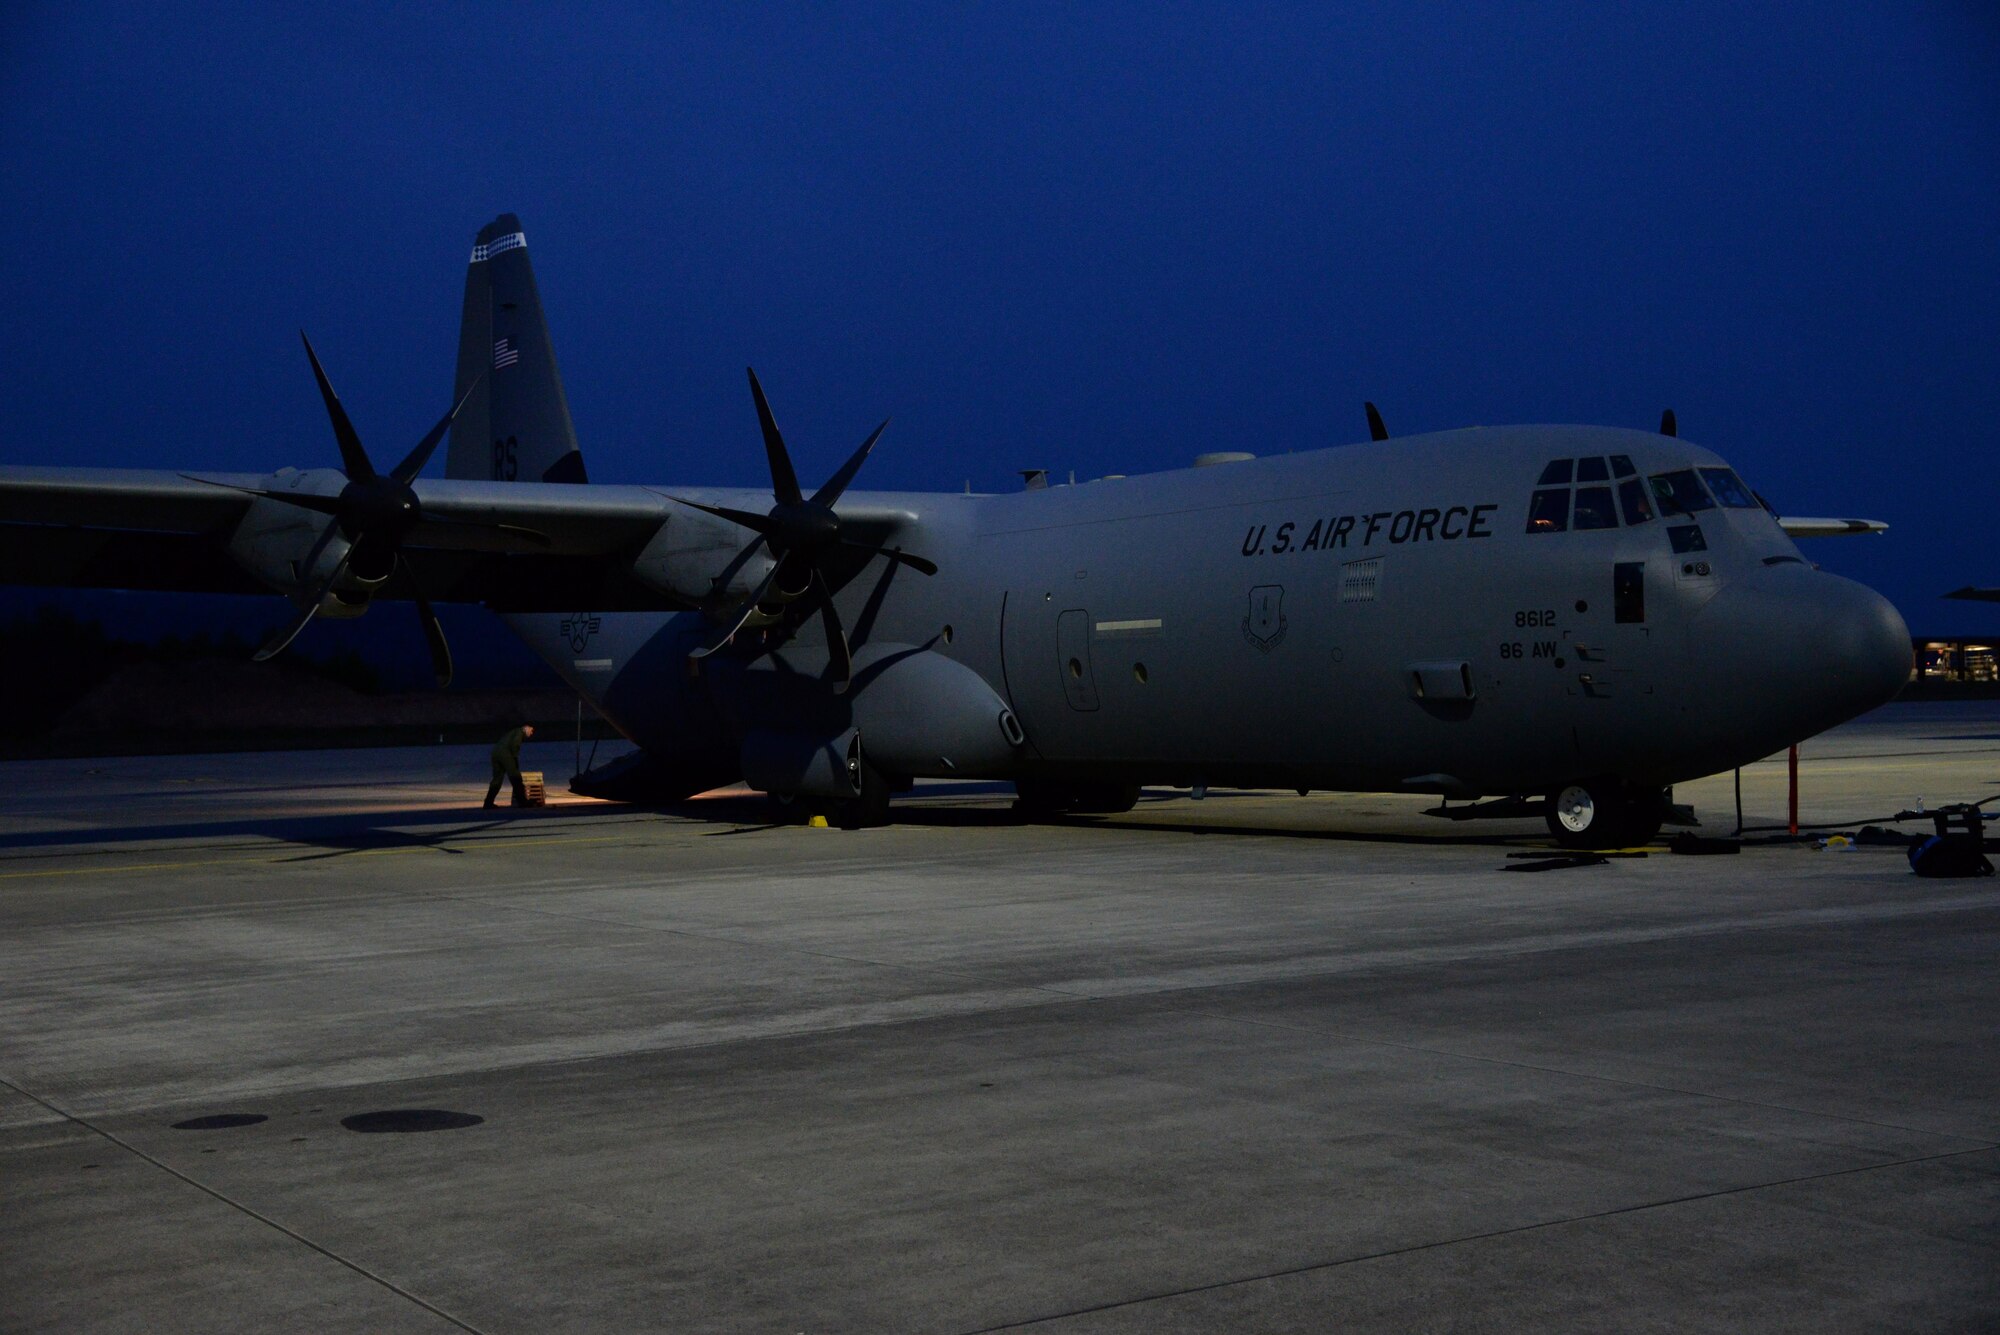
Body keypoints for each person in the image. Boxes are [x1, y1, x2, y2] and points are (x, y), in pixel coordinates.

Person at [485, 723, 535, 808]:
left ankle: (488, 803)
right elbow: (515, 745)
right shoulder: (519, 733)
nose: (531, 733)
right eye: (531, 730)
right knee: (516, 778)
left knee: (497, 779)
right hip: (505, 754)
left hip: (495, 753)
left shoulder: (514, 732)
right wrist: (515, 759)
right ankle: (522, 802)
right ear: (526, 728)